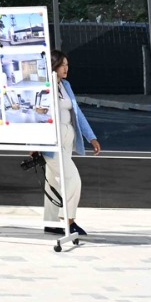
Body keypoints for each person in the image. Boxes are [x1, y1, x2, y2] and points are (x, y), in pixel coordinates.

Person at [43, 48, 100, 238]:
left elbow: (77, 113)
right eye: (62, 65)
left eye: (67, 65)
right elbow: (37, 115)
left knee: (53, 181)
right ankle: (69, 220)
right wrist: (33, 144)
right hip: (52, 141)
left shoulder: (65, 85)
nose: (66, 68)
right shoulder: (45, 86)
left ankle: (51, 223)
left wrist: (91, 137)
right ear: (54, 66)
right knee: (73, 178)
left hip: (68, 138)